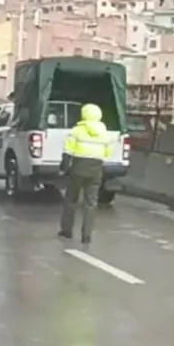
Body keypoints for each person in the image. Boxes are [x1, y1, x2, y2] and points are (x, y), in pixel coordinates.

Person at [58, 103, 115, 246]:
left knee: (71, 199)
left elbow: (68, 151)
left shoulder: (76, 131)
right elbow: (108, 153)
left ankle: (67, 230)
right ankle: (87, 235)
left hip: (78, 167)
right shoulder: (105, 133)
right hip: (96, 169)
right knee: (91, 203)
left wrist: (63, 168)